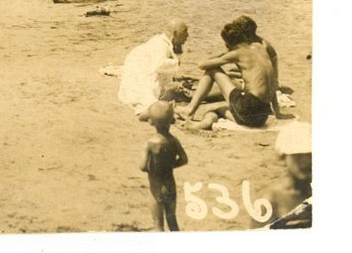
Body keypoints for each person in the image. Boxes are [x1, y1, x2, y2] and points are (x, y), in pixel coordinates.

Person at [179, 20, 281, 130]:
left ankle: (190, 110)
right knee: (217, 110)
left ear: (229, 44)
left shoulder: (237, 53)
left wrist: (224, 54)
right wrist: (277, 112)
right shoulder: (260, 47)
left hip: (248, 107)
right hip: (262, 115)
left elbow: (202, 65)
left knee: (212, 70)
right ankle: (203, 122)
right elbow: (272, 84)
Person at [117, 19, 190, 120]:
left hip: (139, 76)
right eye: (185, 32)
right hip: (138, 80)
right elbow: (159, 65)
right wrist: (176, 62)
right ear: (175, 34)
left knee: (165, 100)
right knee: (155, 106)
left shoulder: (163, 43)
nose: (187, 36)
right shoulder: (159, 44)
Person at [251, 121, 312, 229]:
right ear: (282, 158)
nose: (305, 162)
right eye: (297, 156)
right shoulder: (271, 200)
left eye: (310, 155)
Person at [140, 101, 188, 231]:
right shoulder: (174, 141)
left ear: (150, 122)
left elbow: (143, 166)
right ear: (172, 120)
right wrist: (171, 166)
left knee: (158, 225)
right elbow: (184, 159)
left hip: (156, 186)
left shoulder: (150, 143)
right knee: (172, 220)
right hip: (170, 184)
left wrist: (154, 169)